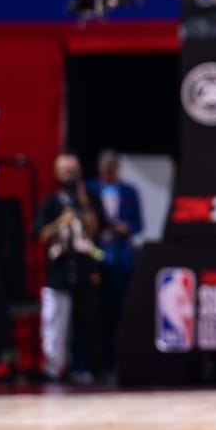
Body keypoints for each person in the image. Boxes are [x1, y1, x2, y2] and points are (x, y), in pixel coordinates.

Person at [35, 153, 106, 384]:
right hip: (60, 271)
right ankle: (54, 370)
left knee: (90, 323)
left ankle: (91, 369)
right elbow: (39, 235)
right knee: (55, 323)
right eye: (64, 169)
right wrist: (60, 222)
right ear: (56, 172)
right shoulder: (51, 202)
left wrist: (83, 201)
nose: (69, 173)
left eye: (73, 169)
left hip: (86, 270)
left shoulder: (90, 198)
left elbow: (97, 228)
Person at [88, 149, 144, 370]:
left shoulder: (129, 191)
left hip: (121, 257)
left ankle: (115, 363)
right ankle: (93, 364)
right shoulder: (90, 189)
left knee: (119, 312)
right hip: (96, 255)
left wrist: (126, 227)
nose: (109, 174)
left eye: (113, 170)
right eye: (106, 171)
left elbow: (139, 224)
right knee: (95, 313)